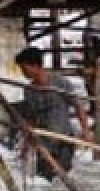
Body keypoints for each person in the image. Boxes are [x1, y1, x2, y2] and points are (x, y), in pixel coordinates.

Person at [14, 47, 91, 180]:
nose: (23, 72)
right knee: (44, 179)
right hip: (44, 145)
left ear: (35, 65)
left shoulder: (59, 82)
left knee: (61, 179)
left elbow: (78, 106)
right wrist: (25, 145)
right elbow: (31, 119)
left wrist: (85, 130)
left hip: (63, 141)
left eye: (24, 68)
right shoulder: (29, 90)